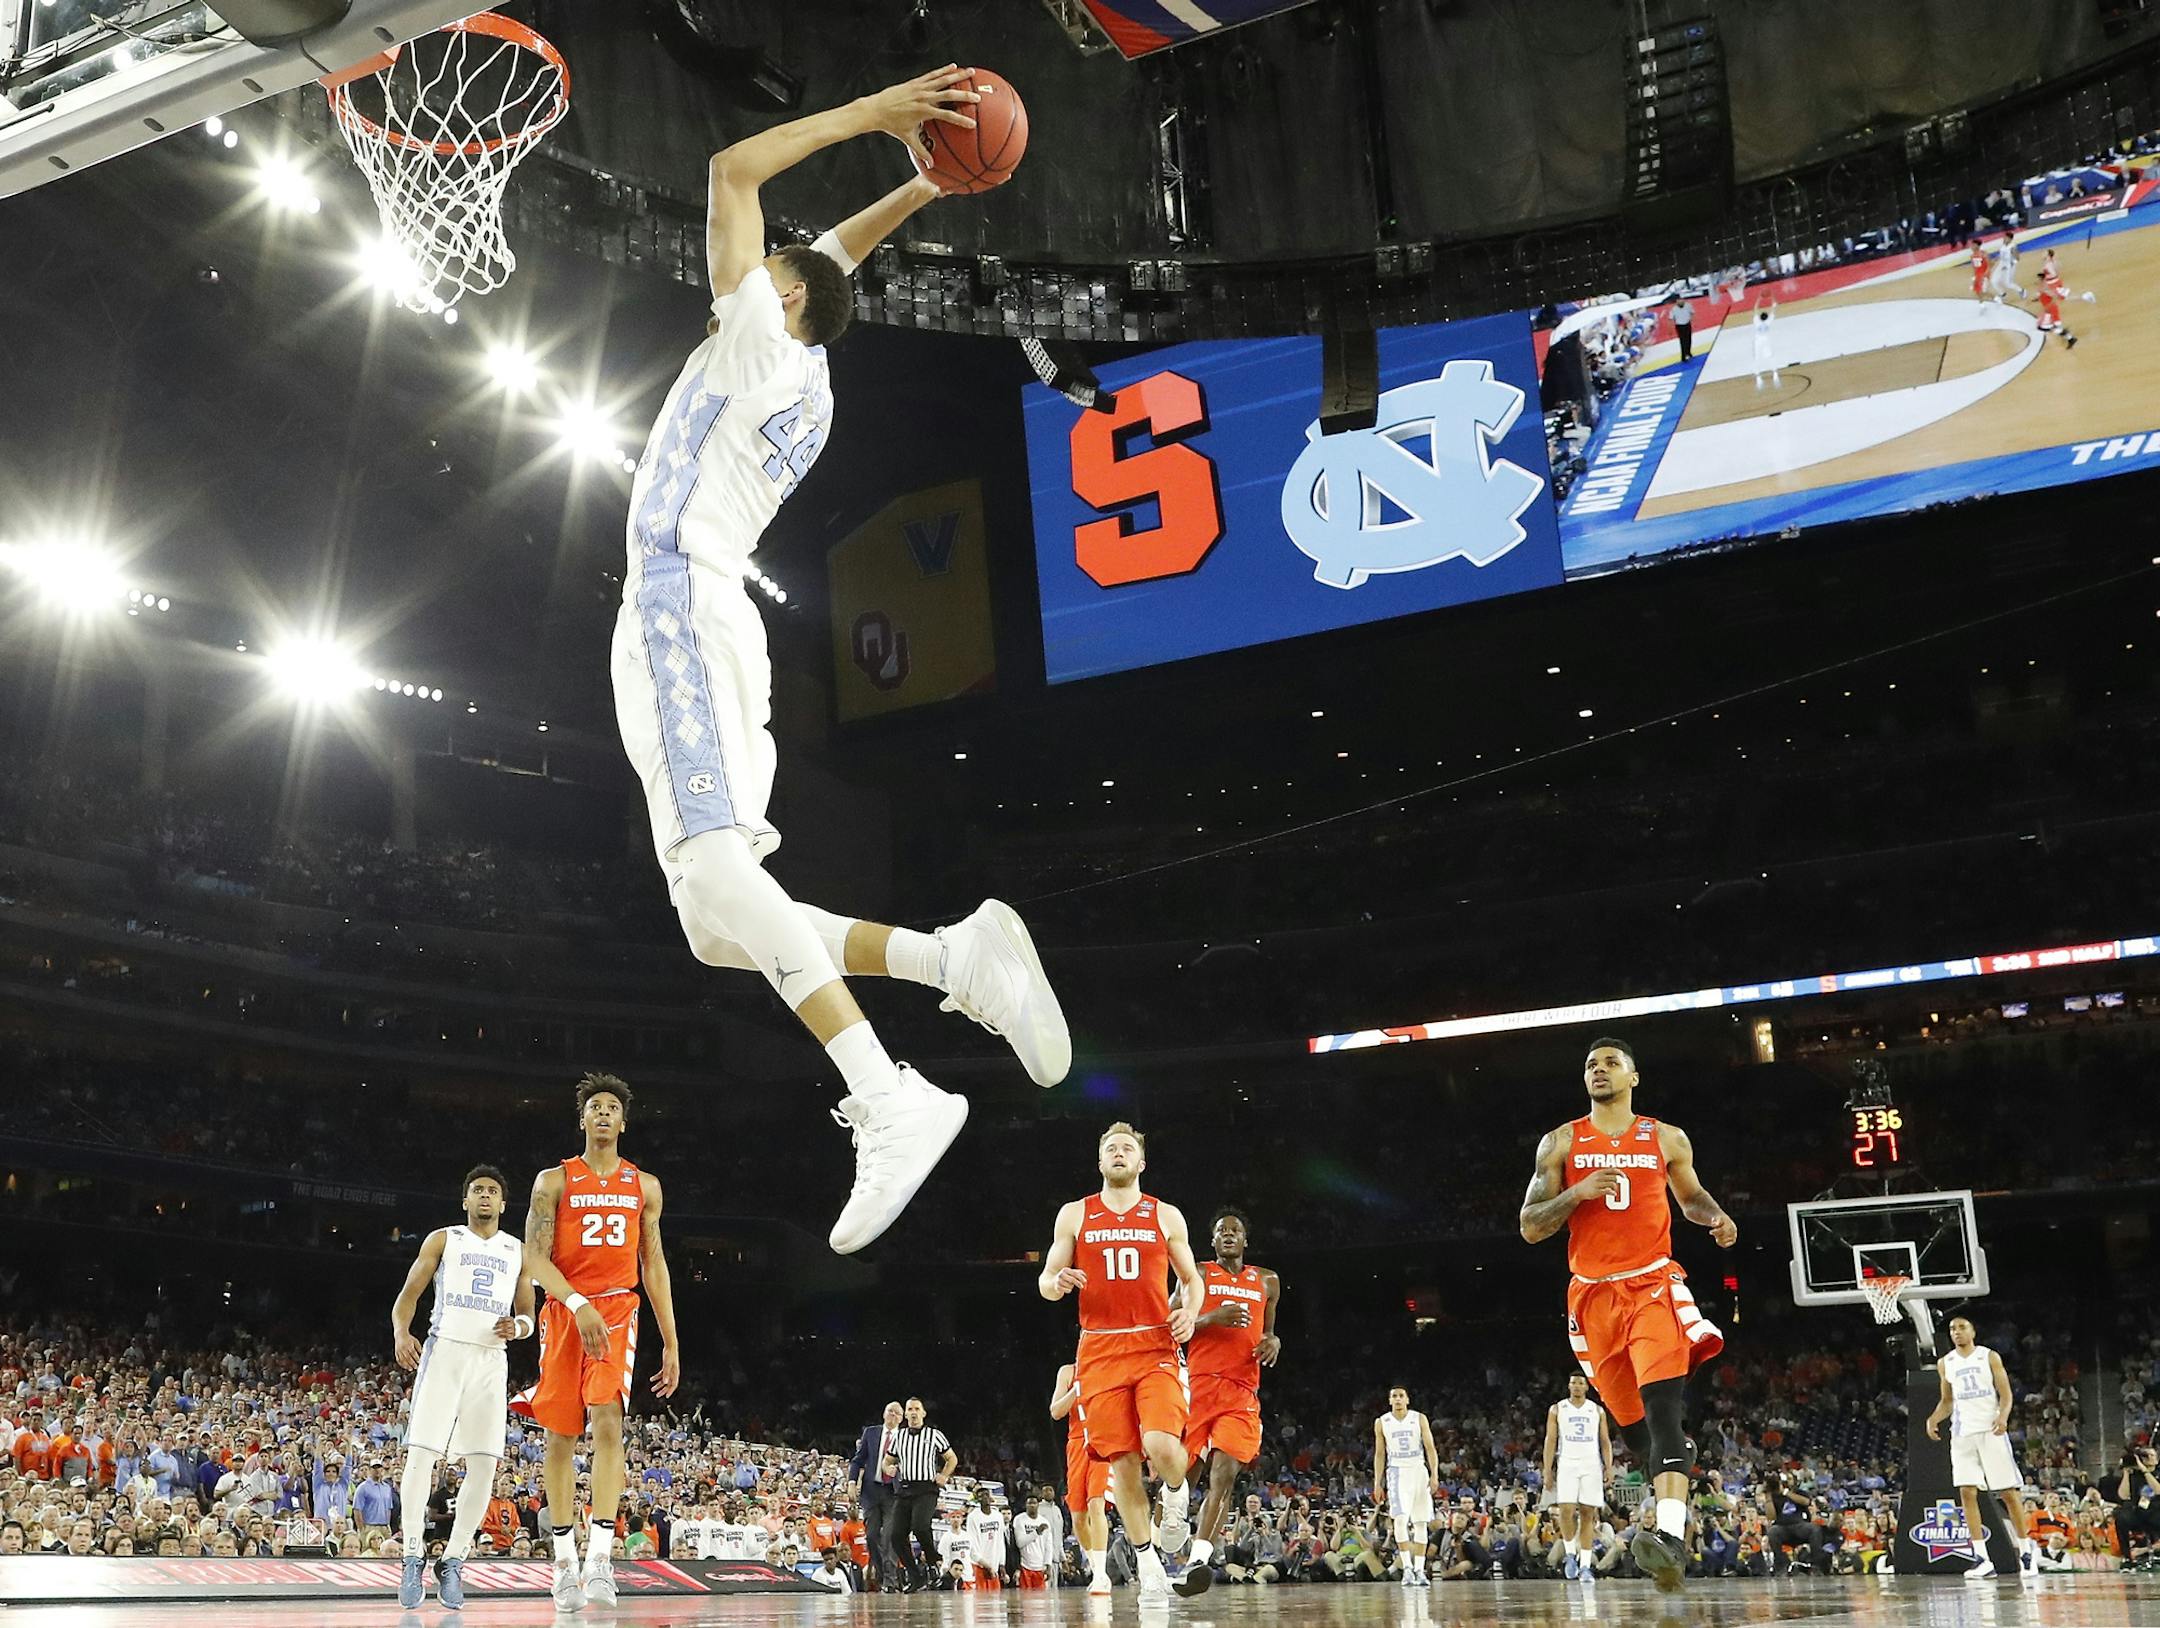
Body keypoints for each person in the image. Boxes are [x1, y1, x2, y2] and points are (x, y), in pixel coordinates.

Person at [611, 64, 1068, 1257]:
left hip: (682, 610)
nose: (746, 262)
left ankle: (888, 1092)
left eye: (767, 266)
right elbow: (835, 257)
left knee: (717, 893)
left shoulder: (762, 338)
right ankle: (947, 956)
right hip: (710, 625)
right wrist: (918, 186)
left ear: (784, 297)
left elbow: (732, 173)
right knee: (724, 922)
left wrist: (873, 116)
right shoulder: (801, 362)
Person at [1518, 1036, 1736, 1593]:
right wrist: (1579, 1192)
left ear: (1633, 1076)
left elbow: (1690, 1198)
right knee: (1637, 1430)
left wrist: (1715, 1218)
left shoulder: (1665, 1136)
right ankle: (1675, 1485)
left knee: (1664, 1404)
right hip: (1591, 1296)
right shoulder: (1561, 1141)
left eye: (1611, 1063)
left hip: (1652, 1283)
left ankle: (1668, 1538)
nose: (1599, 1070)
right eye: (1591, 1064)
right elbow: (1531, 1224)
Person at [509, 1073, 681, 1610]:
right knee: (559, 1436)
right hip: (564, 1310)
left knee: (608, 1419)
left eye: (612, 1108)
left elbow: (653, 1264)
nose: (603, 1114)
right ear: (582, 1119)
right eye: (595, 1107)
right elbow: (534, 1258)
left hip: (616, 1309)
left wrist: (671, 1341)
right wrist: (576, 1304)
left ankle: (601, 1558)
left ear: (623, 1123)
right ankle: (563, 1563)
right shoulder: (552, 1181)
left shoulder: (644, 1185)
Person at [1038, 1122, 1204, 1602]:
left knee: (1162, 1445)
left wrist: (1190, 1315)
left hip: (1153, 1344)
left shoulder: (1165, 1214)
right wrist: (1057, 1282)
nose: (1118, 1152)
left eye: (1127, 1148)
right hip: (1099, 1349)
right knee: (1124, 1465)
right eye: (1110, 1147)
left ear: (1141, 1163)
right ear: (1099, 1161)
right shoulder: (1075, 1214)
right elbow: (1046, 1281)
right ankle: (1149, 1564)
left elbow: (1191, 1281)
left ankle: (1174, 1496)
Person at [387, 1164, 533, 1610]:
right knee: (422, 1454)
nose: (485, 1196)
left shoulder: (517, 1250)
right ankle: (413, 1553)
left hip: (490, 1360)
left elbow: (529, 1313)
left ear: (504, 1204)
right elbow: (408, 1294)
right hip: (445, 1351)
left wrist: (520, 1326)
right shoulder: (444, 1238)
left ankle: (453, 1561)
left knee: (486, 1464)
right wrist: (401, 1332)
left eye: (492, 1190)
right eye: (477, 1190)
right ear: (465, 1201)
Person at [1164, 1206, 1279, 1597]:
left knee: (1225, 1476)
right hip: (1197, 1385)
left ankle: (1198, 1559)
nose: (1229, 1234)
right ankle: (1168, 1534)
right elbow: (1170, 1324)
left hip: (1241, 1391)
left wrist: (1274, 1340)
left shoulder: (1267, 1281)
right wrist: (1213, 1317)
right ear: (1212, 1241)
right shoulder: (1195, 1274)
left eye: (1235, 1230)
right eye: (1221, 1231)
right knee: (1183, 1476)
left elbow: (1269, 1330)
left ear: (1245, 1240)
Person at [1926, 1315, 2037, 1583]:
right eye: (1952, 1329)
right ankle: (1981, 1558)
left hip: (1990, 1431)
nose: (1956, 1332)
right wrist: (1932, 1419)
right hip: (1962, 1434)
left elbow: (2006, 1394)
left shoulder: (1989, 1356)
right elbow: (1947, 1400)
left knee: (2008, 1493)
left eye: (1961, 1327)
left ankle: (2026, 1552)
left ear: (1973, 1331)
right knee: (1966, 1492)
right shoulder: (1946, 1363)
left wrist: (2003, 1416)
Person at [1541, 1372, 1610, 1586]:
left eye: (1581, 1383)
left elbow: (1605, 1441)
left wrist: (1608, 1466)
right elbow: (1550, 1440)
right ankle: (1570, 1553)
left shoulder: (1597, 1410)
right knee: (1566, 1511)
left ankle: (1586, 1566)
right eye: (1574, 1383)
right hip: (1567, 1462)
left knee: (1588, 1514)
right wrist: (1547, 1469)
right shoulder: (1557, 1409)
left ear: (1587, 1387)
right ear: (1569, 1386)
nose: (1578, 1386)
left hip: (1591, 1463)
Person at [1051, 1362, 1111, 1593]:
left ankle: (1102, 1574)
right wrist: (1076, 1389)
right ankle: (1096, 1569)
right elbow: (1056, 1411)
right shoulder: (1067, 1371)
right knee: (1077, 1516)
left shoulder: (1108, 1367)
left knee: (1096, 1504)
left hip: (1103, 1440)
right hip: (1076, 1443)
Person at [1370, 1388, 1439, 1587]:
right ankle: (1407, 1568)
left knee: (1420, 1522)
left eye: (1401, 1396)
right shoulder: (1382, 1422)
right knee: (1400, 1520)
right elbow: (1379, 1454)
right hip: (1397, 1472)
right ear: (1389, 1400)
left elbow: (1430, 1448)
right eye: (1394, 1396)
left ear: (1407, 1399)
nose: (1398, 1399)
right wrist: (1377, 1482)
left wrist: (1434, 1474)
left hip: (1419, 1470)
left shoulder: (1419, 1418)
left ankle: (1419, 1569)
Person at [884, 1397, 954, 1591]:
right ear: (905, 1414)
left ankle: (933, 1562)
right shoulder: (899, 1437)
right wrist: (888, 1468)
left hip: (926, 1488)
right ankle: (915, 1576)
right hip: (905, 1489)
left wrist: (944, 1475)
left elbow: (951, 1458)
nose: (913, 1413)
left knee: (920, 1526)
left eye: (917, 1409)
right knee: (896, 1536)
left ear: (923, 1413)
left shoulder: (934, 1435)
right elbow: (887, 1460)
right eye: (910, 1409)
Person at [847, 1401, 903, 1589]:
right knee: (871, 1536)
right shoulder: (871, 1433)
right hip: (872, 1491)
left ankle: (890, 1580)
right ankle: (881, 1574)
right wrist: (852, 1482)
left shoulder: (905, 1438)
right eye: (890, 1412)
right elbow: (858, 1460)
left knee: (888, 1536)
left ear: (901, 1419)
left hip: (893, 1493)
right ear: (884, 1414)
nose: (893, 1416)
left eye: (897, 1413)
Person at [965, 1486, 1008, 1589]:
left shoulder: (998, 1516)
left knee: (995, 1601)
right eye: (981, 1496)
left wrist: (1001, 1564)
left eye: (986, 1495)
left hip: (994, 1566)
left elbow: (1000, 1541)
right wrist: (986, 1565)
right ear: (977, 1500)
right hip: (979, 1565)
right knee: (980, 1602)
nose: (984, 1498)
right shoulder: (973, 1517)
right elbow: (972, 1546)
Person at [1012, 1491, 1057, 1588]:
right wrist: (1037, 1532)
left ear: (1038, 1505)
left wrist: (1048, 1565)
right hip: (1025, 1566)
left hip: (1040, 1567)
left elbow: (1048, 1546)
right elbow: (1020, 1543)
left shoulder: (1044, 1521)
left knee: (1040, 1600)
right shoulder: (1019, 1519)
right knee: (1025, 1598)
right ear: (1026, 1505)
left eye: (1034, 1503)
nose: (1032, 1505)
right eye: (1029, 1503)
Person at [1749, 301, 1780, 389]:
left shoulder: (1756, 321)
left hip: (1758, 341)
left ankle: (1758, 377)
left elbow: (1755, 309)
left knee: (1757, 358)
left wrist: (1758, 301)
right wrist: (1773, 306)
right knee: (1770, 357)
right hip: (1766, 340)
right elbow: (1772, 313)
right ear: (1766, 318)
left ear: (1760, 317)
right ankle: (1775, 373)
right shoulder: (1768, 322)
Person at [1670, 295, 1694, 362]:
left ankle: (1688, 352)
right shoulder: (1674, 309)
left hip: (1687, 324)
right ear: (1676, 301)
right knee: (1683, 341)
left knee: (1689, 339)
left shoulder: (1688, 306)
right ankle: (1684, 355)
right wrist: (1671, 328)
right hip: (1680, 326)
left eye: (1681, 300)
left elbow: (1692, 313)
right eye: (1678, 300)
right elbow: (1671, 318)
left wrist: (1692, 320)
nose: (1680, 301)